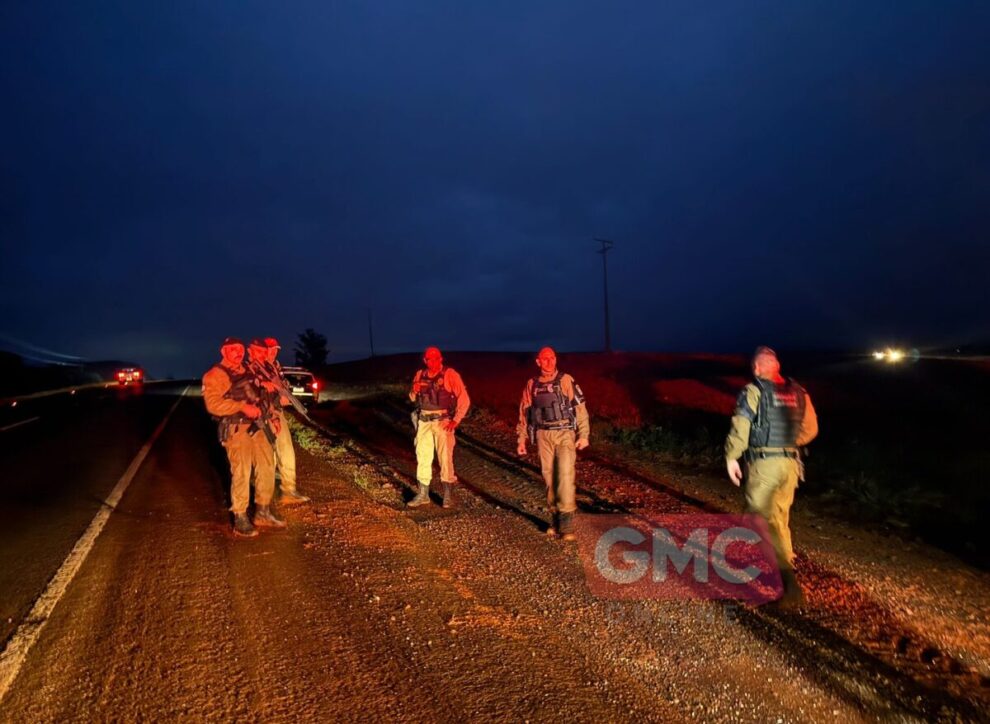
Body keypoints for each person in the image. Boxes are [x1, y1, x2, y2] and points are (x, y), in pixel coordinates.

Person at [725, 346, 818, 608]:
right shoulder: (799, 392)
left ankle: (787, 584)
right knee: (779, 516)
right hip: (790, 465)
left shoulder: (753, 391)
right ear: (776, 366)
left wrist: (732, 455)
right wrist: (787, 444)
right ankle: (784, 564)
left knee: (759, 519)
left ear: (757, 368)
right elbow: (811, 428)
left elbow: (741, 424)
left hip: (764, 464)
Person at [202, 337, 285, 537]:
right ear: (223, 351)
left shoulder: (246, 370)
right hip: (237, 430)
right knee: (242, 471)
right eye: (232, 350)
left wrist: (272, 416)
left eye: (239, 349)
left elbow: (262, 395)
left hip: (259, 426)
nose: (237, 353)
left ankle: (263, 512)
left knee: (266, 466)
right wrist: (241, 407)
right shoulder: (215, 375)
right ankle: (240, 517)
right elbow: (213, 405)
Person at [516, 347, 590, 541]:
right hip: (543, 434)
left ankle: (566, 522)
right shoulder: (531, 384)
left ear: (555, 359)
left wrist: (584, 434)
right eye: (544, 359)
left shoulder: (566, 380)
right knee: (549, 477)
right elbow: (524, 412)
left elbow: (580, 408)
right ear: (538, 362)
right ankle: (555, 517)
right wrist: (521, 439)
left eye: (551, 358)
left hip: (565, 432)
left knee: (564, 474)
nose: (548, 362)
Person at [407, 347, 470, 508]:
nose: (432, 362)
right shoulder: (419, 375)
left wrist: (455, 420)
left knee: (445, 458)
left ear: (440, 359)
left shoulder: (450, 374)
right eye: (429, 359)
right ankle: (423, 494)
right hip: (424, 422)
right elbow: (413, 397)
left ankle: (447, 496)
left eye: (435, 359)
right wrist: (413, 391)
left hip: (442, 422)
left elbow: (464, 398)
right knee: (423, 456)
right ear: (425, 360)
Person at [261, 337, 309, 504]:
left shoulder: (275, 366)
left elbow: (282, 384)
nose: (273, 352)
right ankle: (264, 498)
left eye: (275, 349)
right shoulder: (257, 367)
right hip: (265, 415)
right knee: (268, 455)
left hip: (278, 413)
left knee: (286, 450)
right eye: (270, 349)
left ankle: (288, 490)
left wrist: (284, 393)